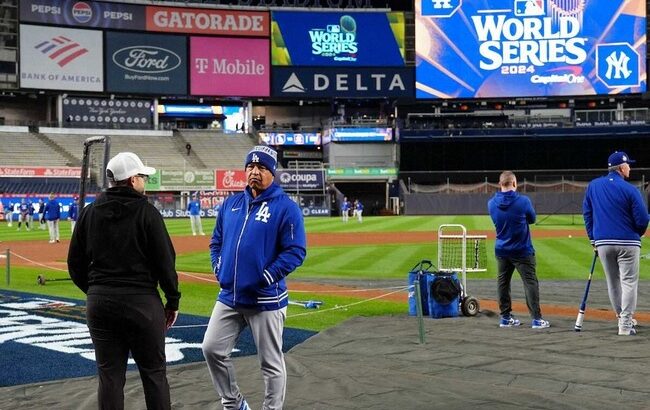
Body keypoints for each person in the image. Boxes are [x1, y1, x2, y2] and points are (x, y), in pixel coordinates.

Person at [67, 151, 180, 409]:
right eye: (142, 176)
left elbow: (74, 264)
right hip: (142, 303)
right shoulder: (147, 213)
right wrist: (172, 301)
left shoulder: (89, 212)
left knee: (109, 378)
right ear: (131, 180)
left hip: (100, 303)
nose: (145, 181)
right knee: (154, 375)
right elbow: (166, 263)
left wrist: (96, 290)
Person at [202, 146, 306, 410]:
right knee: (211, 348)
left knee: (270, 363)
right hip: (230, 296)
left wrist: (267, 276)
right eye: (250, 167)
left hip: (266, 298)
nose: (254, 172)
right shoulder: (231, 203)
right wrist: (218, 267)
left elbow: (295, 251)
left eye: (261, 168)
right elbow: (216, 242)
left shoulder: (286, 208)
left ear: (272, 172)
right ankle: (233, 403)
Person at [583, 151, 649, 336]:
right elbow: (643, 219)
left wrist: (592, 239)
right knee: (629, 283)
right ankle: (625, 324)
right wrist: (638, 233)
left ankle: (622, 318)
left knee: (613, 283)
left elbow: (587, 214)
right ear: (621, 167)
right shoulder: (630, 189)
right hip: (628, 242)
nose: (630, 168)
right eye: (628, 165)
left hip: (603, 242)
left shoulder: (593, 186)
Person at [488, 171, 550, 329]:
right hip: (522, 250)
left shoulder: (491, 203)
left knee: (502, 283)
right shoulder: (523, 201)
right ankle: (536, 319)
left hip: (502, 249)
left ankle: (505, 318)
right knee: (530, 283)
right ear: (514, 184)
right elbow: (532, 219)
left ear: (500, 184)